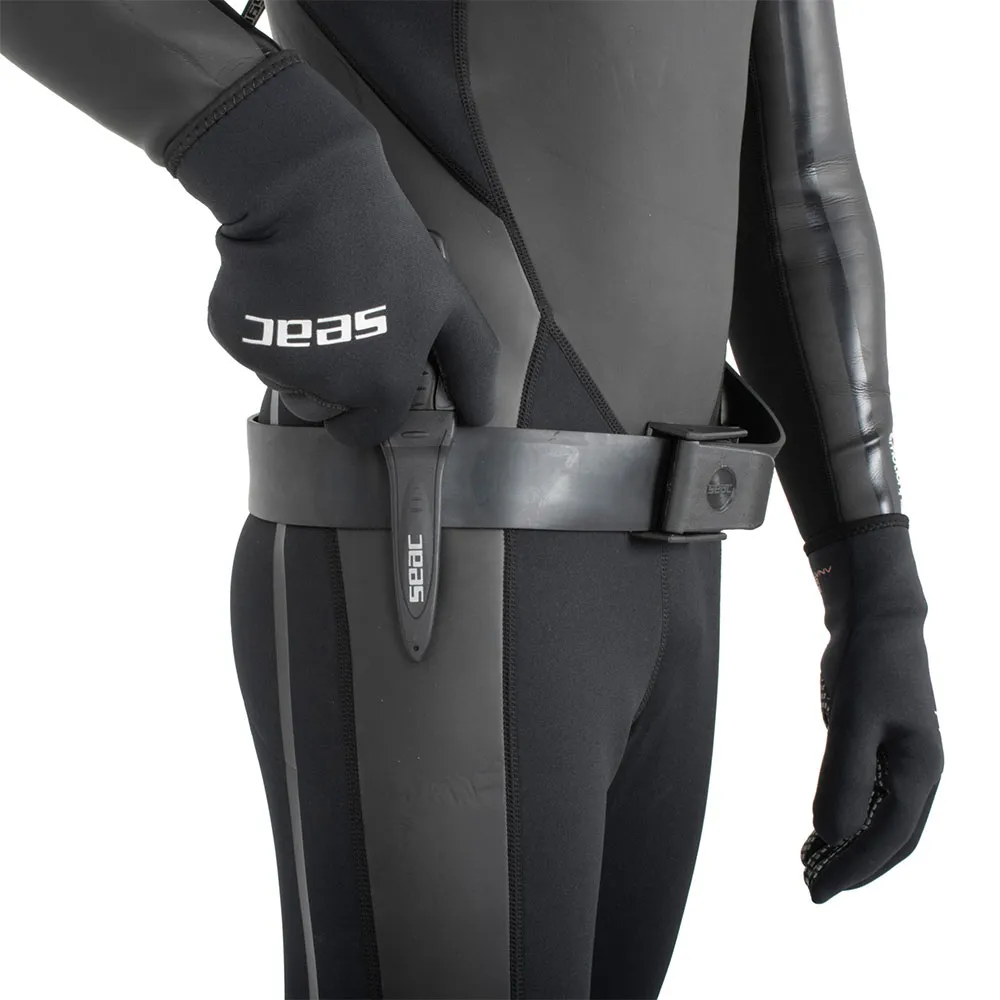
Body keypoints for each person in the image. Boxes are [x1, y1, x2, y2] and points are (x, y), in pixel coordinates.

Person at [1, 2, 944, 998]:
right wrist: (289, 153)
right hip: (433, 537)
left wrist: (876, 587)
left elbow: (798, 186)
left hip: (669, 582)